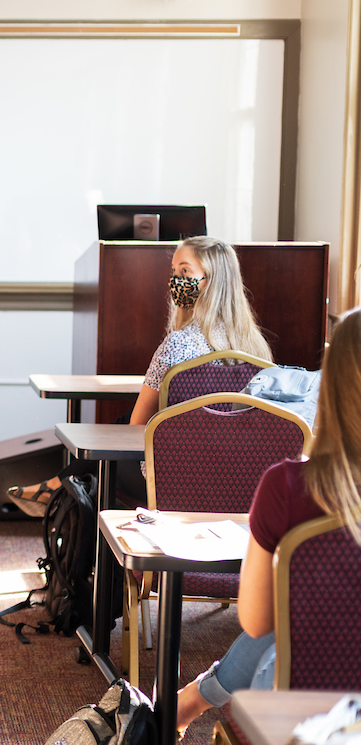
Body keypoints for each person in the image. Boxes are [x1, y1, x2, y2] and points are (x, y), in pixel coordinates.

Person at [173, 307, 361, 732]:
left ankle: (191, 700)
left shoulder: (288, 488)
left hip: (309, 714)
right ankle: (192, 699)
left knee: (284, 627)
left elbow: (257, 620)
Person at [7, 235, 273, 515]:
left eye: (185, 271)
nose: (175, 280)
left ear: (212, 281)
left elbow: (137, 426)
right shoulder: (257, 351)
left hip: (172, 481)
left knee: (112, 444)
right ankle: (55, 487)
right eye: (173, 271)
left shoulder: (178, 346)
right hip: (241, 481)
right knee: (124, 424)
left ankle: (59, 493)